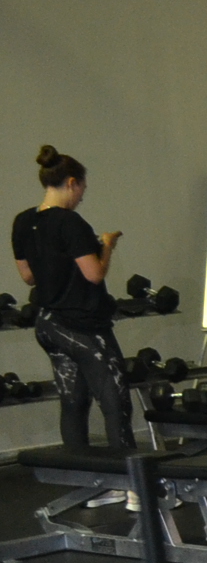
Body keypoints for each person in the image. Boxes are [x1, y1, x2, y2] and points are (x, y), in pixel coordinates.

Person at [11, 146, 132, 463]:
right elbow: (94, 274)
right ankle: (133, 482)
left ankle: (84, 479)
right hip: (82, 326)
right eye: (82, 190)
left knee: (74, 401)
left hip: (49, 325)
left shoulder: (23, 221)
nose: (81, 197)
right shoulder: (70, 223)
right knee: (116, 402)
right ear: (71, 183)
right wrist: (107, 246)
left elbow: (28, 276)